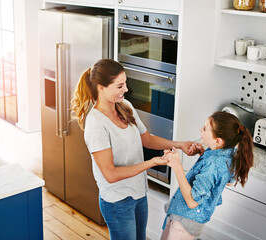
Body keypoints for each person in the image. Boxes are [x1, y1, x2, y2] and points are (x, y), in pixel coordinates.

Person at [70, 58, 198, 240]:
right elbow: (110, 174)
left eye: (126, 84)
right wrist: (151, 163)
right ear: (101, 87)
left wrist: (180, 145)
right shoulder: (96, 124)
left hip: (139, 192)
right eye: (120, 86)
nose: (126, 90)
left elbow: (147, 139)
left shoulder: (125, 107)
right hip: (117, 201)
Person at [160, 111, 254, 240]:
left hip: (185, 220)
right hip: (180, 213)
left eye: (204, 129)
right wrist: (202, 154)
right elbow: (228, 181)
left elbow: (192, 202)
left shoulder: (213, 164)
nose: (200, 130)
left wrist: (177, 165)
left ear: (218, 141)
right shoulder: (227, 152)